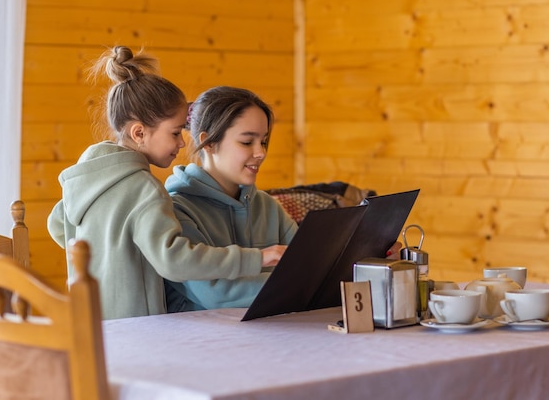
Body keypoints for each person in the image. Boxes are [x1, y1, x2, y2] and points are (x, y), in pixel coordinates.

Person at [47, 47, 285, 320]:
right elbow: (174, 261)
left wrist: (109, 254)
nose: (183, 143)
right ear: (139, 133)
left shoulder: (87, 179)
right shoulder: (145, 189)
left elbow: (57, 225)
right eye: (174, 133)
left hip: (92, 324)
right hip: (138, 329)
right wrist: (257, 258)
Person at [165, 86, 401, 312]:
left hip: (274, 334)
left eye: (264, 141)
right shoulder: (176, 210)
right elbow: (218, 294)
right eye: (247, 142)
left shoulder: (267, 206)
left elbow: (309, 267)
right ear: (210, 143)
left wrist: (372, 260)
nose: (261, 152)